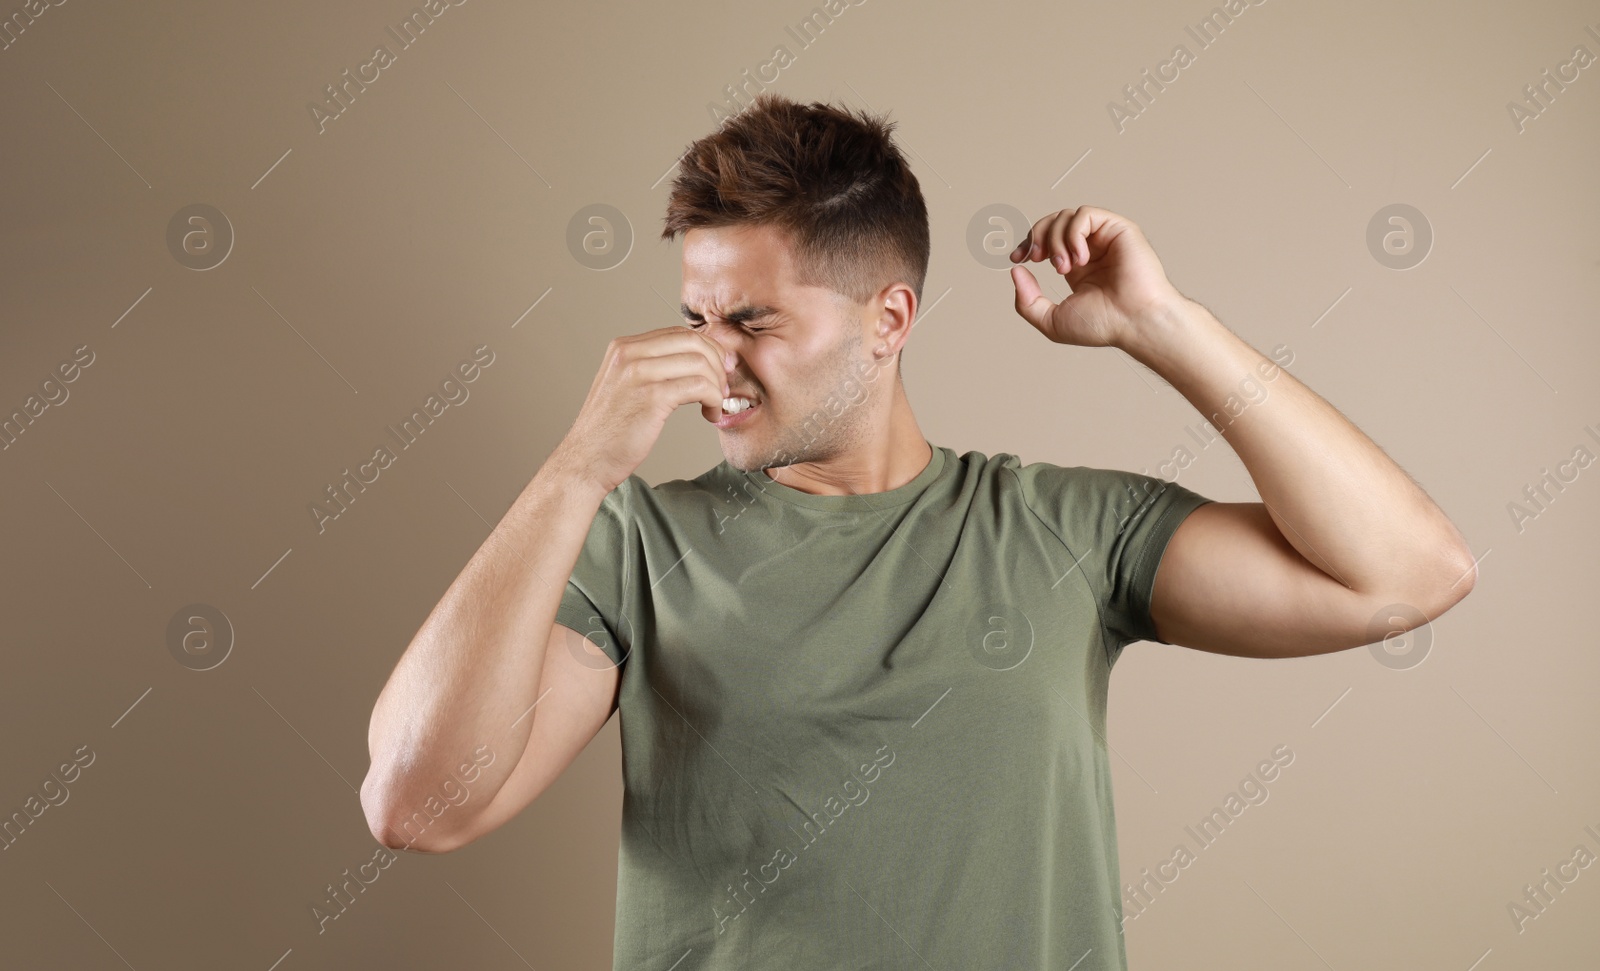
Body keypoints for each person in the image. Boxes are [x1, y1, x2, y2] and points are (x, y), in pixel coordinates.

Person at [359, 93, 1477, 970]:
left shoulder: (1062, 530)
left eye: (753, 321)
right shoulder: (635, 544)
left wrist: (1162, 326)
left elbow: (1410, 572)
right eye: (696, 317)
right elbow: (416, 803)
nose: (710, 362)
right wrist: (576, 468)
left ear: (887, 319)